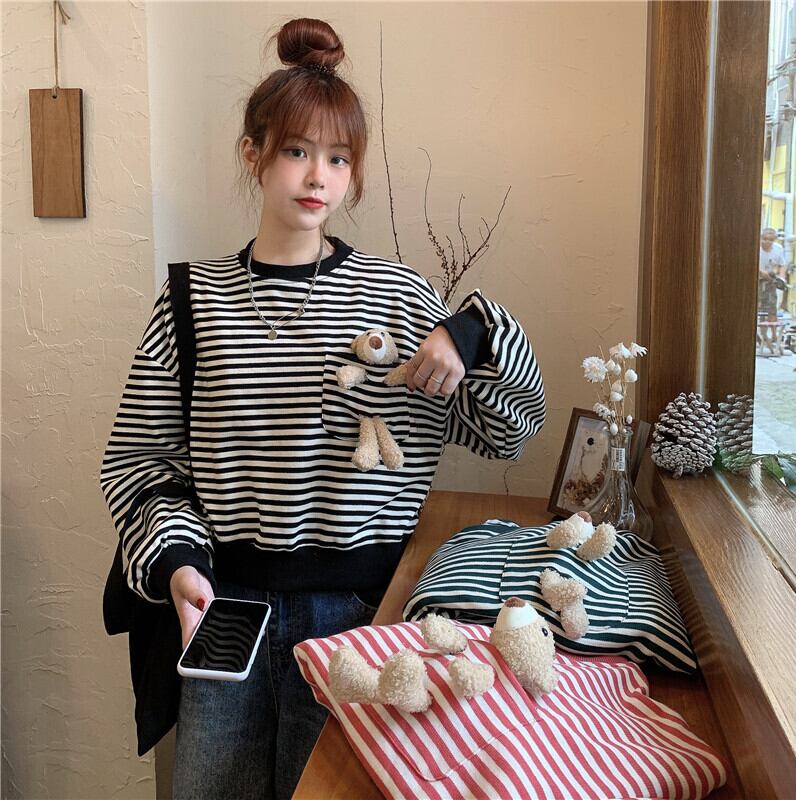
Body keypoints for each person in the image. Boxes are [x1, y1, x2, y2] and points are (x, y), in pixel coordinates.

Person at [100, 17, 546, 800]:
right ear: (253, 154)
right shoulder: (190, 301)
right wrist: (177, 565)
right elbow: (140, 465)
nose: (319, 176)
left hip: (364, 623)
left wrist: (473, 332)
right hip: (225, 613)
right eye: (297, 151)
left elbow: (509, 430)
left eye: (339, 158)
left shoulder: (399, 298)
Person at [758, 226, 787, 319]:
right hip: (755, 278)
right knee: (757, 303)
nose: (767, 241)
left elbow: (782, 265)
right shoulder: (755, 247)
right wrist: (761, 273)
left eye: (770, 240)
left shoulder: (778, 249)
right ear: (761, 237)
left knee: (772, 304)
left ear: (774, 240)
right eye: (765, 239)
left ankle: (771, 321)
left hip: (770, 278)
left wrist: (781, 278)